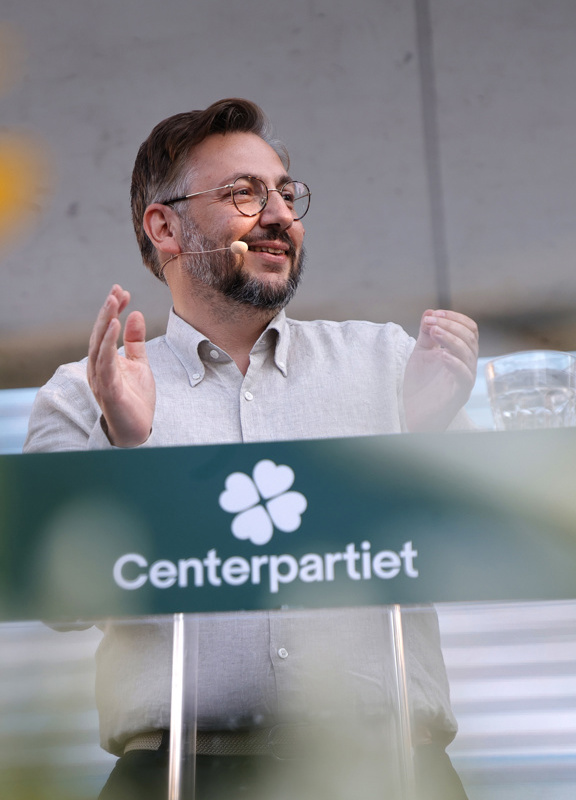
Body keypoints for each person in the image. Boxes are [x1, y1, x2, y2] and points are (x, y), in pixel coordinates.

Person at [24, 98, 478, 799]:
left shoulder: (391, 363)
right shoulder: (84, 392)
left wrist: (423, 439)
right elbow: (54, 595)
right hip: (173, 776)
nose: (278, 216)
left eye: (286, 194)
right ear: (165, 226)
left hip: (390, 768)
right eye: (243, 193)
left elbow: (486, 549)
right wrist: (122, 446)